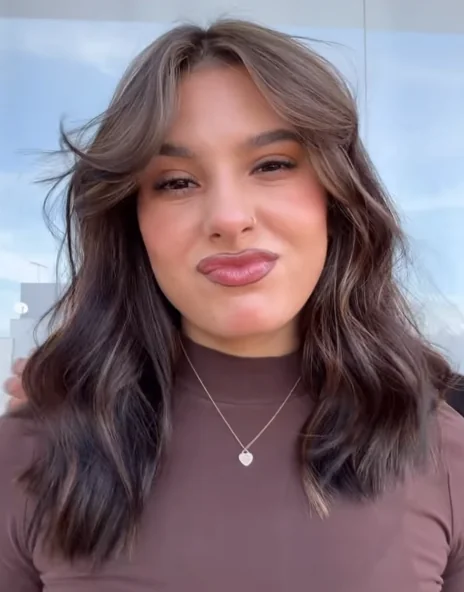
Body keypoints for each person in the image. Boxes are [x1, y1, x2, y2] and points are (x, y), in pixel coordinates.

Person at [0, 19, 463, 592]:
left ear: (336, 195)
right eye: (176, 181)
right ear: (132, 220)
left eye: (272, 165)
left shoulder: (444, 450)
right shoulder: (33, 452)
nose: (228, 217)